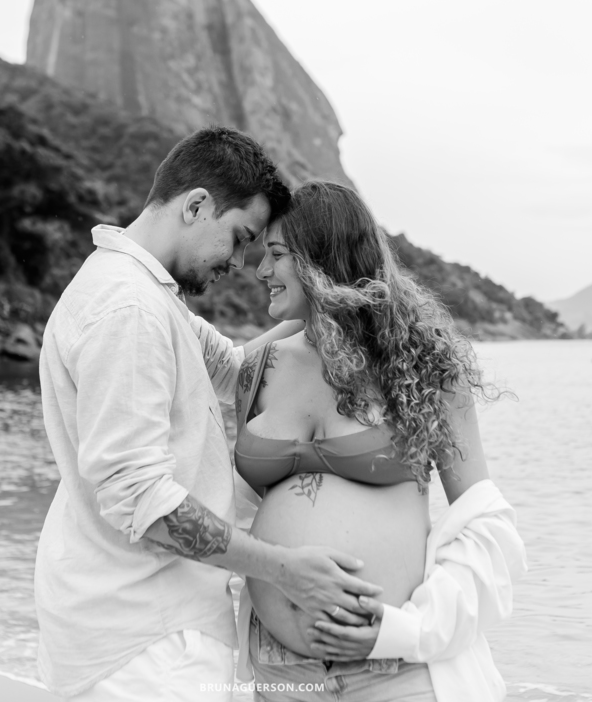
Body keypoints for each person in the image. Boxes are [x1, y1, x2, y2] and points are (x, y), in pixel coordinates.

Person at [34, 130, 384, 701]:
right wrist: (284, 569)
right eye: (241, 238)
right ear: (196, 205)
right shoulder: (130, 310)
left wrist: (325, 292)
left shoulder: (143, 292)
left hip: (131, 619)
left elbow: (235, 368)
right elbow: (141, 499)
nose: (242, 262)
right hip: (148, 641)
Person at [194, 181, 527, 702]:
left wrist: (407, 631)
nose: (260, 271)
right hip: (278, 672)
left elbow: (483, 520)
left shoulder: (422, 366)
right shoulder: (258, 369)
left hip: (397, 668)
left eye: (277, 255)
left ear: (323, 260)